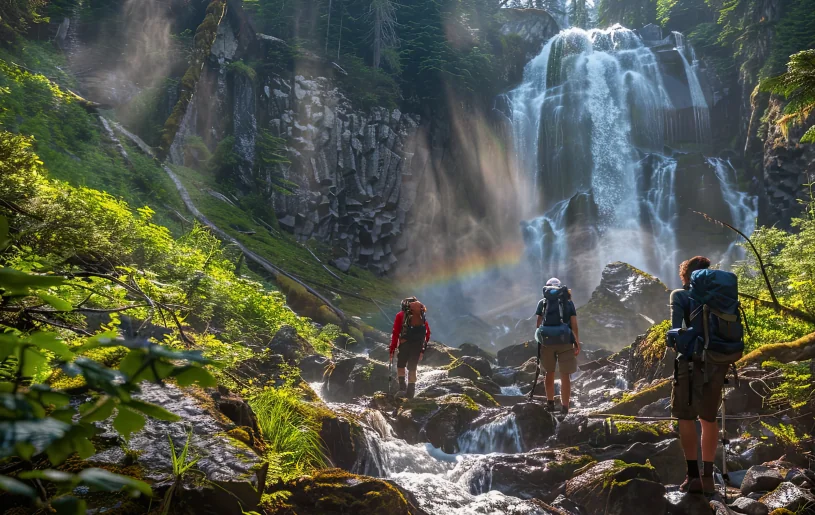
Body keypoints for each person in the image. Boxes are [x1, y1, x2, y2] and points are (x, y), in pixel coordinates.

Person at [670, 256, 726, 495]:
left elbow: (674, 332)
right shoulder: (722, 295)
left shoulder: (680, 295)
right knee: (709, 418)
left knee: (686, 416)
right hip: (717, 361)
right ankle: (708, 477)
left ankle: (692, 476)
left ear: (686, 276)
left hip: (691, 363)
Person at [535, 278, 580, 414]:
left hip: (547, 342)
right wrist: (576, 342)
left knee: (549, 372)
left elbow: (538, 324)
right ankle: (565, 407)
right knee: (564, 375)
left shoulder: (543, 302)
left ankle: (550, 404)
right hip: (565, 341)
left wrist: (542, 340)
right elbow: (574, 325)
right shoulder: (568, 302)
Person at [389, 297, 430, 399]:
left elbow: (395, 333)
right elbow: (427, 333)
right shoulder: (421, 316)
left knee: (401, 365)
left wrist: (392, 348)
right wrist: (422, 349)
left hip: (405, 344)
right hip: (417, 345)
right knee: (412, 368)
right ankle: (411, 393)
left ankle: (402, 389)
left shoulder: (400, 315)